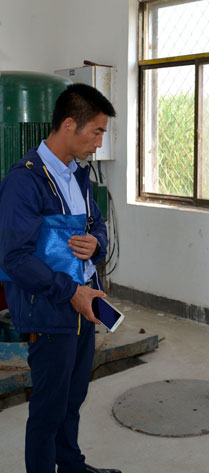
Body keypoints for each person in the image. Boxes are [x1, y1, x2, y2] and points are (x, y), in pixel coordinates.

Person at [0, 83, 120, 473]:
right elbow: (14, 258)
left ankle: (71, 465)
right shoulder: (24, 181)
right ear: (69, 124)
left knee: (72, 397)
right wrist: (70, 292)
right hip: (51, 308)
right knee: (48, 408)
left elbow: (97, 225)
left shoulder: (77, 176)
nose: (99, 143)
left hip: (83, 304)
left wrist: (96, 245)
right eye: (96, 132)